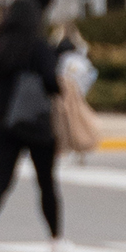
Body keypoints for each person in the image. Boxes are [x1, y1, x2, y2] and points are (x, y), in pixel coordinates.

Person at [0, 0, 66, 252]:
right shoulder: (39, 47)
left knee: (1, 181)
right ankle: (55, 239)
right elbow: (52, 83)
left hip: (5, 124)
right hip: (37, 125)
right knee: (46, 183)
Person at [52, 21, 102, 160]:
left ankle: (72, 147)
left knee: (69, 123)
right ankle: (75, 148)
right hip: (75, 94)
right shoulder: (78, 60)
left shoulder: (67, 61)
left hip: (70, 95)